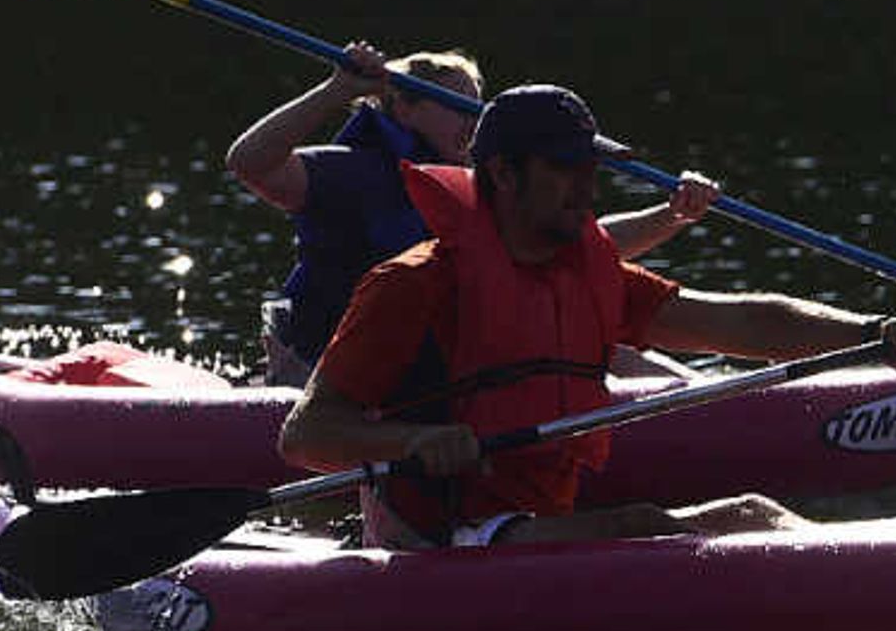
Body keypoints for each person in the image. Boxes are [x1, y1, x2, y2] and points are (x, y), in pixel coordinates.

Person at [278, 83, 896, 546]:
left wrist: (871, 333)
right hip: (443, 534)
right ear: (504, 177)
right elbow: (305, 435)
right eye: (564, 168)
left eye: (589, 168)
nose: (587, 186)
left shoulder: (585, 270)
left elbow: (740, 321)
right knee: (640, 521)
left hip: (534, 521)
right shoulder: (414, 283)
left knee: (751, 511)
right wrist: (409, 442)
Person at [225, 45, 717, 384]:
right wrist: (337, 90)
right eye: (456, 104)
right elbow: (249, 162)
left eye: (478, 107)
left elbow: (585, 242)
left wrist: (672, 214)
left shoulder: (482, 185)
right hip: (328, 367)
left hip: (433, 364)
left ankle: (732, 405)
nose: (474, 120)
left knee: (608, 351)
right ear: (403, 108)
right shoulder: (352, 173)